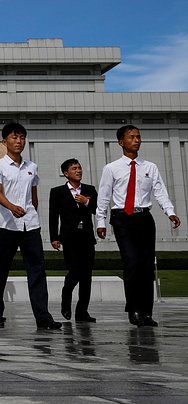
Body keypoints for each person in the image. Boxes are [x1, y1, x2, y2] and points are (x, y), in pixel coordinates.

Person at [96, 125, 181, 327]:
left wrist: (170, 212)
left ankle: (146, 312)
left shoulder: (150, 167)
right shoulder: (111, 168)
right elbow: (104, 196)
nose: (137, 140)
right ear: (121, 142)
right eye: (132, 137)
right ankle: (133, 309)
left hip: (144, 218)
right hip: (122, 218)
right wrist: (100, 221)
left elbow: (160, 191)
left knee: (145, 267)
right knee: (132, 263)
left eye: (139, 137)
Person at [0, 122, 61, 330]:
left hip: (30, 226)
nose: (18, 141)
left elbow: (33, 197)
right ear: (4, 141)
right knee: (0, 270)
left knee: (37, 270)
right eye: (14, 137)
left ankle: (43, 317)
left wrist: (32, 214)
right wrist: (11, 207)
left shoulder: (32, 167)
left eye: (21, 137)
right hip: (6, 225)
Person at [49, 158, 99, 323]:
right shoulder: (57, 192)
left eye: (79, 168)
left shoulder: (89, 189)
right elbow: (53, 216)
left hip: (86, 237)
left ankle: (82, 312)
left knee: (87, 276)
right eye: (74, 168)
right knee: (75, 271)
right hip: (69, 238)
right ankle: (66, 297)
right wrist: (54, 237)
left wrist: (87, 201)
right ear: (66, 173)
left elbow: (98, 209)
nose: (78, 171)